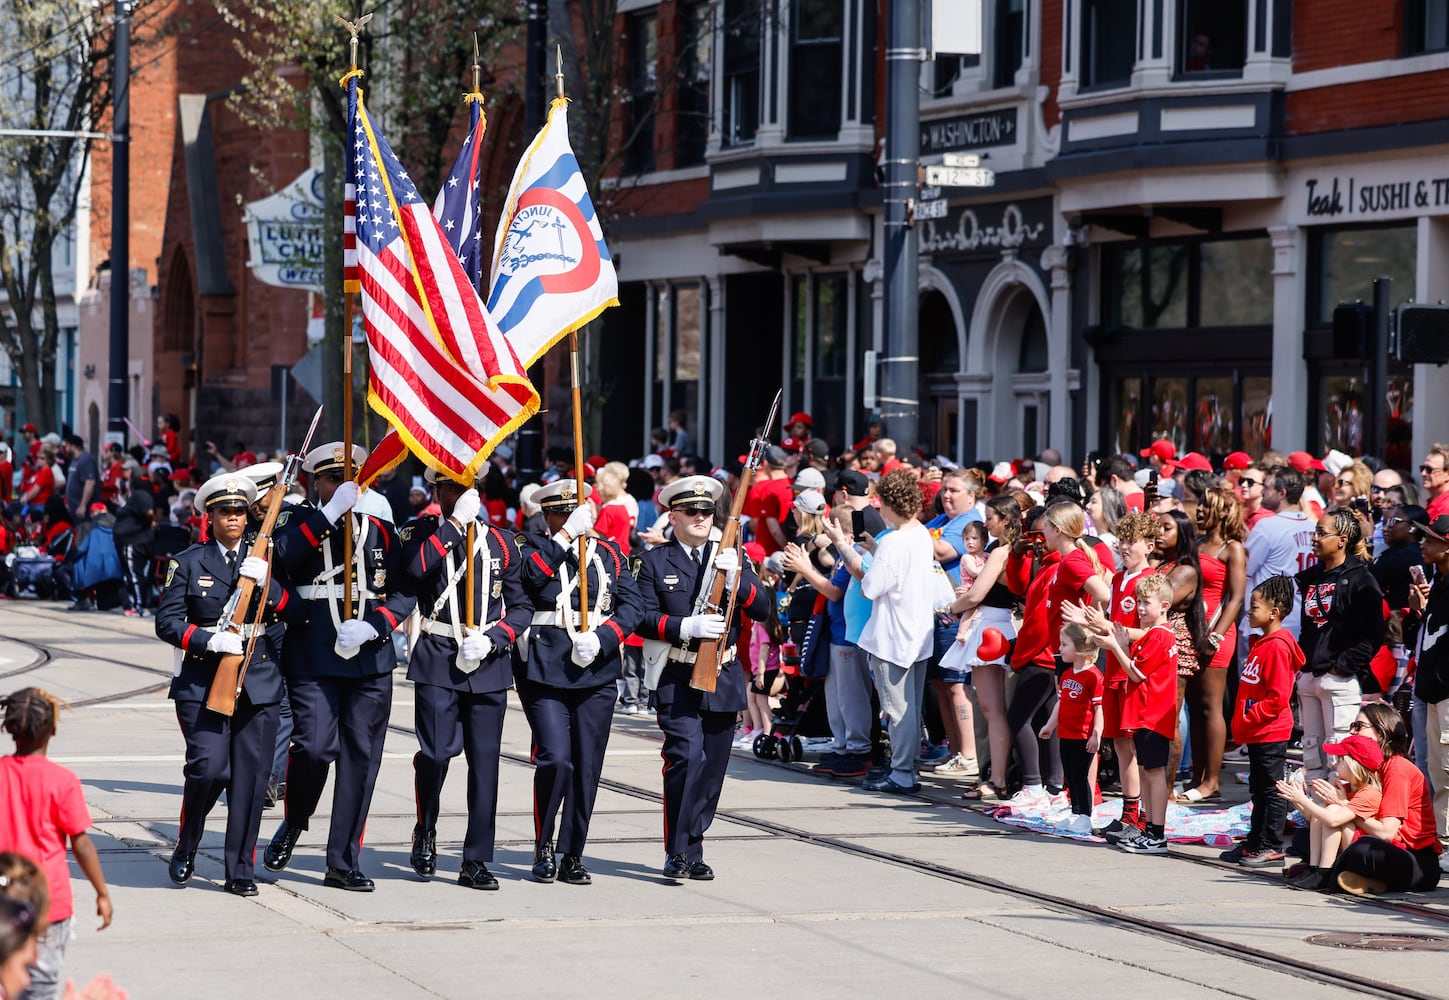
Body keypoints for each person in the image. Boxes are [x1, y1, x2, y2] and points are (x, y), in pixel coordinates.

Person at [263, 443, 418, 892]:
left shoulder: (381, 531)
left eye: (353, 478)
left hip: (369, 658)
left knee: (360, 761)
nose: (347, 485)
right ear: (317, 484)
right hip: (314, 655)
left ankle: (342, 860)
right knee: (312, 748)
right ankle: (295, 819)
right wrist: (330, 513)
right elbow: (283, 555)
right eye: (334, 479)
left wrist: (376, 627)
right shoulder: (297, 521)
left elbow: (406, 590)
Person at [154, 474, 304, 896]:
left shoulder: (266, 557)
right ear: (210, 517)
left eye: (240, 511)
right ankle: (188, 842)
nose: (234, 519)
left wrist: (269, 585)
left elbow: (298, 610)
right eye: (225, 512)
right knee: (208, 768)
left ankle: (241, 869)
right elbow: (166, 622)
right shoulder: (188, 561)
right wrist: (206, 639)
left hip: (258, 679)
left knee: (252, 780)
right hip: (203, 679)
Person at [399, 472, 533, 890]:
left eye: (467, 488)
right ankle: (426, 828)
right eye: (451, 488)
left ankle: (476, 858)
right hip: (439, 656)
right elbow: (417, 570)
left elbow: (521, 606)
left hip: (487, 661)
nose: (460, 494)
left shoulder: (503, 542)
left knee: (485, 766)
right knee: (437, 755)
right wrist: (454, 526)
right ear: (438, 492)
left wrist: (496, 638)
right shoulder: (422, 532)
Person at [635, 476, 772, 879]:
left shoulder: (730, 556)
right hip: (677, 673)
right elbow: (641, 617)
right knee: (686, 758)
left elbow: (762, 608)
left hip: (724, 673)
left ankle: (693, 842)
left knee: (712, 769)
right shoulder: (653, 562)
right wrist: (685, 626)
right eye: (691, 512)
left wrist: (737, 580)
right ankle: (679, 851)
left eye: (706, 512)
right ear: (672, 516)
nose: (700, 518)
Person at [517, 480, 642, 886]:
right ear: (549, 515)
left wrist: (606, 637)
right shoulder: (532, 546)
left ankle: (573, 851)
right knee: (555, 758)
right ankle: (544, 844)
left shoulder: (608, 553)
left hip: (596, 670)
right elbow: (530, 581)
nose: (572, 519)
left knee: (587, 766)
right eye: (562, 513)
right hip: (545, 668)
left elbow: (632, 605)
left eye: (577, 513)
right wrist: (565, 537)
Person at [823, 469, 937, 794]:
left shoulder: (896, 541)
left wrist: (842, 546)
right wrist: (874, 548)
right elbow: (895, 571)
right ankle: (907, 768)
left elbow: (869, 585)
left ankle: (901, 773)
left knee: (898, 710)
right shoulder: (920, 534)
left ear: (887, 503)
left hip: (893, 636)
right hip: (916, 634)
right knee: (910, 709)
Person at [0, 690, 114, 997]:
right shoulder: (62, 781)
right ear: (53, 729)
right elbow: (82, 844)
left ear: (9, 729)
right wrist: (102, 893)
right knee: (41, 984)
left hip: (2, 899)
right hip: (49, 902)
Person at [1092, 573, 1179, 855]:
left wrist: (1116, 646)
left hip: (1152, 715)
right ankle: (1149, 829)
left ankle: (1157, 833)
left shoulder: (1160, 635)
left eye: (1147, 603)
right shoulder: (1153, 635)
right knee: (1146, 772)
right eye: (1139, 602)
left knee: (1154, 773)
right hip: (1143, 714)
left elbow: (1137, 673)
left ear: (1164, 605)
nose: (1140, 608)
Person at [1296, 509, 1385, 784]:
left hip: (1339, 680)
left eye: (1322, 533)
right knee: (1312, 757)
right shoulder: (1310, 577)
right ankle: (1314, 824)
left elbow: (1373, 634)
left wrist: (1341, 667)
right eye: (1315, 532)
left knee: (1341, 760)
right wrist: (1302, 669)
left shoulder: (1361, 579)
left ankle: (1340, 824)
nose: (1315, 538)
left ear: (1342, 539)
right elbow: (1308, 628)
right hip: (1310, 676)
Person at [1221, 576, 1300, 868]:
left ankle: (1271, 844)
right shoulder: (1262, 643)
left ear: (1274, 612)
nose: (1248, 612)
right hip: (1257, 732)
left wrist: (1249, 716)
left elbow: (1278, 697)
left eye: (1254, 607)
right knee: (1258, 789)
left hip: (1270, 731)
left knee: (1270, 789)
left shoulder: (1277, 647)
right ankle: (1255, 841)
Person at [1326, 703, 1441, 894]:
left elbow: (1387, 833)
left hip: (1415, 861)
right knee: (1305, 838)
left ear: (1380, 733)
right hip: (1384, 845)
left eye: (1359, 726)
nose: (1353, 732)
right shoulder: (1370, 766)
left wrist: (1348, 808)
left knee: (1363, 850)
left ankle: (1340, 874)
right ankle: (1371, 882)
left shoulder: (1397, 769)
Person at [954, 496, 1024, 802]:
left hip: (990, 624)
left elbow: (976, 595)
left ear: (1006, 520)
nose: (986, 523)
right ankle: (997, 776)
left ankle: (997, 779)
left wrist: (952, 607)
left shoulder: (1001, 551)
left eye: (992, 517)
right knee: (992, 708)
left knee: (992, 709)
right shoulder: (1009, 550)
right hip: (999, 623)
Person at [1182, 482, 1246, 802]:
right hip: (1191, 629)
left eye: (1206, 505)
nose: (1200, 510)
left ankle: (1213, 781)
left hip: (1215, 632)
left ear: (1222, 511)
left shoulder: (1232, 548)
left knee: (1211, 706)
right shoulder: (1196, 542)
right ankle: (1197, 776)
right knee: (1194, 706)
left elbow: (1235, 599)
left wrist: (1215, 636)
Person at [1277, 734, 1383, 890]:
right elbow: (1315, 817)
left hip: (1362, 850)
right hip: (1349, 844)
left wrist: (1304, 800)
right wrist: (1297, 800)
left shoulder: (1370, 793)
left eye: (1340, 760)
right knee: (1325, 810)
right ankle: (1314, 868)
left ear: (1354, 765)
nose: (1336, 763)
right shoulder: (1346, 788)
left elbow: (1333, 821)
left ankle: (1324, 871)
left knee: (1332, 811)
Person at [1037, 623, 1103, 837]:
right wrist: (1050, 725)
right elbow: (1061, 703)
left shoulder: (1093, 676)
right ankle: (1075, 812)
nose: (1060, 648)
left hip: (1083, 736)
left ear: (1081, 649)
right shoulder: (1066, 675)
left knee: (1081, 775)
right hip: (1066, 733)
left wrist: (1097, 733)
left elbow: (1099, 707)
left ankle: (1085, 814)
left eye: (1065, 644)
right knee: (1070, 775)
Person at [1408, 513, 1449, 852]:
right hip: (1430, 691)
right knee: (1435, 770)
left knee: (1447, 770)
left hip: (1445, 692)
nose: (1422, 543)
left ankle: (1448, 843)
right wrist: (1419, 610)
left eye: (1430, 539)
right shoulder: (1439, 583)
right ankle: (1439, 840)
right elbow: (1430, 638)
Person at [1421, 444, 1449, 520]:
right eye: (1422, 468)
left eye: (1429, 469)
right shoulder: (1434, 502)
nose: (1423, 473)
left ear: (1447, 474)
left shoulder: (1446, 507)